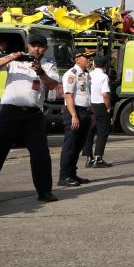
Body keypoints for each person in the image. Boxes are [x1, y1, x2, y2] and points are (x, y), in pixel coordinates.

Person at [0, 34, 60, 202]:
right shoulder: (15, 61)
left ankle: (45, 191)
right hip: (10, 112)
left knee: (40, 154)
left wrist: (40, 72)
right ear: (28, 47)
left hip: (33, 114)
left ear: (45, 49)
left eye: (40, 46)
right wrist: (10, 57)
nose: (36, 49)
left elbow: (52, 85)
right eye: (33, 45)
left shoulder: (48, 64)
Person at [57, 51, 94, 187]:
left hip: (84, 111)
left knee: (78, 145)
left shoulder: (86, 74)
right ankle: (64, 176)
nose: (89, 60)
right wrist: (74, 115)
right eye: (87, 58)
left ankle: (72, 173)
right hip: (74, 111)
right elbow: (68, 96)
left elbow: (87, 95)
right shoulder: (71, 73)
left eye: (90, 58)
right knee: (70, 145)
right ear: (78, 59)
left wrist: (91, 113)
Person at [85, 54, 114, 168]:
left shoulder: (89, 75)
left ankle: (89, 158)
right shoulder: (104, 76)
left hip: (90, 105)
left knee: (89, 132)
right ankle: (98, 157)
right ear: (105, 64)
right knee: (102, 132)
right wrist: (108, 107)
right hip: (101, 105)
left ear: (94, 63)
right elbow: (105, 94)